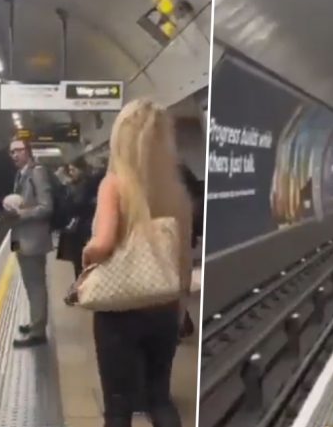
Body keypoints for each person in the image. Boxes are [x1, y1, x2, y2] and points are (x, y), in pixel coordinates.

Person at [82, 98, 192, 427]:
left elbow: (102, 244)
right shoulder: (175, 190)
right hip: (164, 307)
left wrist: (88, 255)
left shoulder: (114, 184)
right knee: (159, 397)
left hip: (120, 311)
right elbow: (183, 256)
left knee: (118, 405)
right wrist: (180, 305)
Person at [7, 139, 53, 348]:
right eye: (12, 152)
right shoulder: (21, 174)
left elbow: (46, 206)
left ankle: (38, 332)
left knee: (36, 285)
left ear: (28, 151)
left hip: (33, 239)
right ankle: (35, 321)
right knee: (28, 283)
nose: (15, 155)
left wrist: (21, 213)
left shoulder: (37, 172)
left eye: (18, 150)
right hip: (20, 239)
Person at [56, 157, 103, 280]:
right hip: (81, 231)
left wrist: (65, 186)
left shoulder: (87, 184)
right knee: (80, 265)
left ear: (81, 169)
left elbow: (75, 206)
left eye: (73, 170)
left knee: (82, 265)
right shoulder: (80, 184)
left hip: (84, 230)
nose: (71, 173)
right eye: (69, 170)